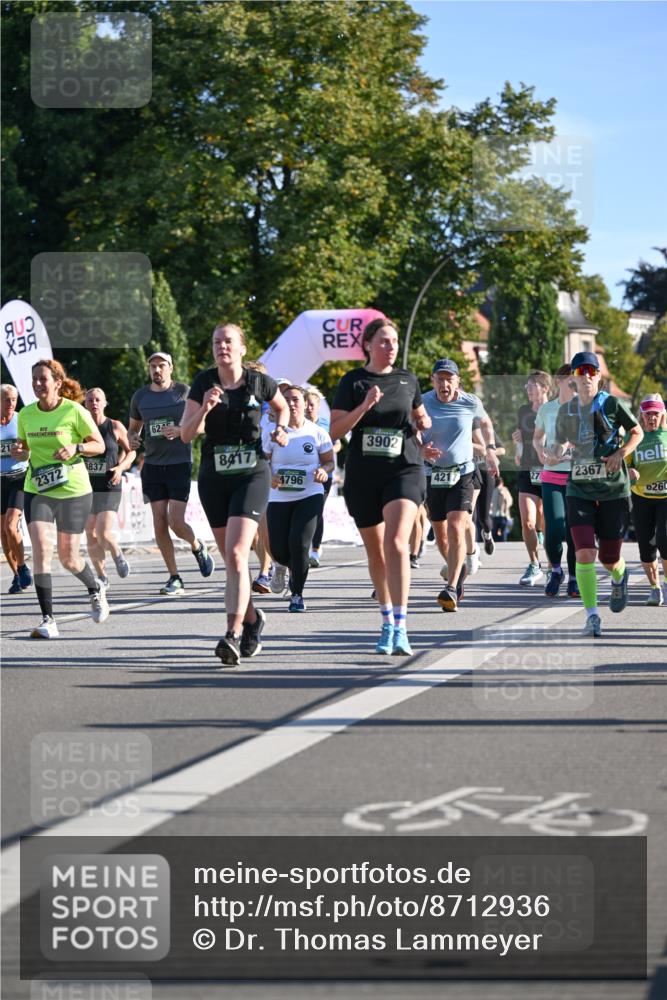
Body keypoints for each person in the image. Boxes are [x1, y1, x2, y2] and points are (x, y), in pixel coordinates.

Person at [181, 322, 289, 665]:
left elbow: (282, 407)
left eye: (228, 341)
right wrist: (205, 408)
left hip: (252, 473)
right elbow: (186, 434)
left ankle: (232, 633)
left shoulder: (259, 382)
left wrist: (281, 430)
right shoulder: (203, 382)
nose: (221, 347)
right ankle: (254, 619)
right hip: (215, 475)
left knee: (240, 554)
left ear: (242, 348)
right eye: (216, 342)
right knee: (232, 562)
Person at [330, 317, 432, 655]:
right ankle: (387, 620)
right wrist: (364, 406)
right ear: (368, 346)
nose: (391, 347)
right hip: (363, 474)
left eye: (394, 342)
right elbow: (333, 431)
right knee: (376, 553)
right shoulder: (353, 381)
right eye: (384, 342)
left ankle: (402, 626)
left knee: (396, 543)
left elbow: (417, 418)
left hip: (404, 467)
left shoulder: (408, 380)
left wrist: (423, 427)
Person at [13, 359, 109, 638]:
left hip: (73, 491)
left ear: (57, 383)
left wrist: (76, 446)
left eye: (43, 379)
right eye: (34, 379)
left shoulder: (74, 410)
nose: (38, 384)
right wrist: (22, 453)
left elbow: (99, 445)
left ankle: (95, 588)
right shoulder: (27, 414)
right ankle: (48, 620)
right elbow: (25, 447)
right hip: (37, 488)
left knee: (68, 558)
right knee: (41, 549)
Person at [552, 351, 643, 637]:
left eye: (592, 371)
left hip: (613, 490)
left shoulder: (612, 403)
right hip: (578, 488)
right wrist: (556, 451)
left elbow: (636, 432)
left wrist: (621, 453)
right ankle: (592, 616)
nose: (587, 376)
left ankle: (620, 575)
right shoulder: (566, 411)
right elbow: (559, 444)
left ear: (599, 377)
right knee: (584, 553)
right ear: (573, 380)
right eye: (581, 372)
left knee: (608, 557)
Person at [128, 351, 214, 595]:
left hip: (179, 462)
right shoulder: (140, 397)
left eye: (161, 366)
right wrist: (133, 439)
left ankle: (197, 546)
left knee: (176, 521)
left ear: (170, 368)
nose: (157, 370)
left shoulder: (184, 392)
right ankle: (174, 577)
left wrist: (180, 430)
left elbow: (203, 425)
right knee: (159, 521)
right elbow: (133, 429)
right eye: (153, 366)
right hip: (153, 465)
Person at [420, 359, 499, 612]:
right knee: (441, 535)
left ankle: (451, 587)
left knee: (456, 525)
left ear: (457, 381)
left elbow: (486, 423)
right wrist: (420, 449)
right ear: (433, 381)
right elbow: (411, 431)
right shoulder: (421, 402)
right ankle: (459, 567)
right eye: (439, 379)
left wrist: (490, 449)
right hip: (433, 475)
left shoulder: (470, 402)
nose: (444, 384)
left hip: (462, 474)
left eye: (449, 379)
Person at [263, 385, 335, 612]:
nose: (292, 404)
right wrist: (270, 476)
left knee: (300, 544)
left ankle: (297, 595)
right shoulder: (273, 434)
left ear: (305, 404)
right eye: (287, 400)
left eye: (296, 399)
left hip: (310, 494)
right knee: (279, 549)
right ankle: (283, 567)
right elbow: (262, 463)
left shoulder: (317, 433)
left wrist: (324, 470)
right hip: (279, 497)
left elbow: (329, 461)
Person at [533, 364, 579, 598]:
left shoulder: (583, 408)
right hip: (552, 474)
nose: (574, 386)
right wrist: (541, 454)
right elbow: (537, 438)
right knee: (553, 528)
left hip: (576, 476)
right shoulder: (547, 409)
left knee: (572, 530)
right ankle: (556, 571)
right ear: (559, 381)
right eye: (570, 381)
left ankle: (573, 578)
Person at [83, 388, 135, 587]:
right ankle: (102, 576)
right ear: (85, 404)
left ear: (104, 403)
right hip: (87, 487)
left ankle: (117, 554)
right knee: (90, 533)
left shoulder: (114, 426)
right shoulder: (80, 429)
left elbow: (131, 451)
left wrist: (121, 468)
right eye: (90, 400)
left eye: (98, 399)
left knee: (103, 532)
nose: (94, 403)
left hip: (109, 485)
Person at [626, 394, 667, 606]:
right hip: (641, 497)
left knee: (665, 539)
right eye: (648, 413)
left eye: (655, 413)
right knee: (646, 546)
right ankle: (655, 588)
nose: (651, 417)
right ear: (641, 415)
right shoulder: (634, 436)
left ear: (662, 414)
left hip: (665, 498)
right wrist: (629, 470)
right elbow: (621, 464)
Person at [513, 371, 551, 586]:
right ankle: (534, 563)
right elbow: (520, 433)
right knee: (528, 521)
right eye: (526, 386)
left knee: (545, 521)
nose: (528, 389)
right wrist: (517, 447)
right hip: (527, 469)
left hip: (549, 469)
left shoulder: (555, 409)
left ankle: (551, 566)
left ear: (544, 388)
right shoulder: (524, 410)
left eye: (532, 386)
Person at [1, 384, 32, 594]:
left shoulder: (22, 419)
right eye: (6, 399)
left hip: (19, 478)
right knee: (3, 533)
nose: (11, 403)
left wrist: (24, 454)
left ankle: (22, 567)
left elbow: (32, 449)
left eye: (13, 399)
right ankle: (15, 575)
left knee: (11, 526)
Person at [304, 386, 337, 569]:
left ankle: (315, 549)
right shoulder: (297, 424)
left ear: (317, 406)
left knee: (317, 510)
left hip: (324, 473)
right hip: (304, 474)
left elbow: (337, 445)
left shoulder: (326, 424)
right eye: (306, 404)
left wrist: (327, 450)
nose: (309, 408)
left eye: (312, 405)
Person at [492, 477, 514, 541]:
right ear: (502, 483)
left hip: (493, 515)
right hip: (503, 515)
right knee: (503, 533)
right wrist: (505, 508)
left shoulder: (492, 491)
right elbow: (510, 501)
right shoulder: (504, 490)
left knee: (494, 534)